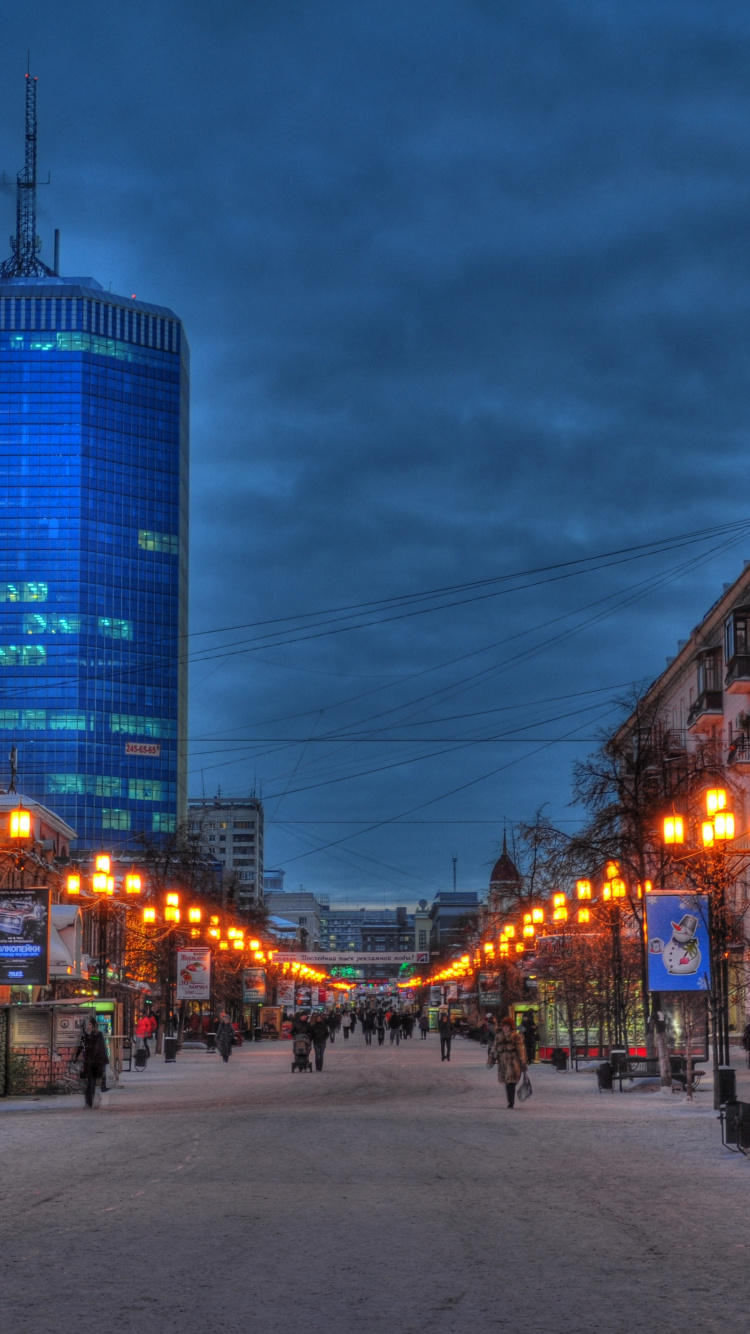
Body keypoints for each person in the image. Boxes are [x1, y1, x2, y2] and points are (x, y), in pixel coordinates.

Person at [488, 1015, 528, 1108]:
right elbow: (494, 1049)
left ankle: (511, 1102)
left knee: (511, 1083)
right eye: (504, 1026)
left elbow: (520, 1051)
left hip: (513, 1063)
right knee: (506, 1082)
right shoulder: (499, 1036)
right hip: (502, 1063)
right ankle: (510, 1101)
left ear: (511, 1027)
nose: (505, 1028)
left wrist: (523, 1064)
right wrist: (491, 1059)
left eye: (507, 1026)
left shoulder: (516, 1037)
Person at [75, 1017, 109, 1108]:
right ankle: (90, 1102)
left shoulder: (98, 1035)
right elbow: (83, 1047)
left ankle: (90, 1102)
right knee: (90, 1082)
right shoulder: (86, 1035)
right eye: (87, 1024)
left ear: (94, 1025)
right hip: (90, 1062)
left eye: (89, 1024)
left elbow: (97, 1049)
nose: (88, 1026)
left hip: (97, 1062)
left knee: (92, 1082)